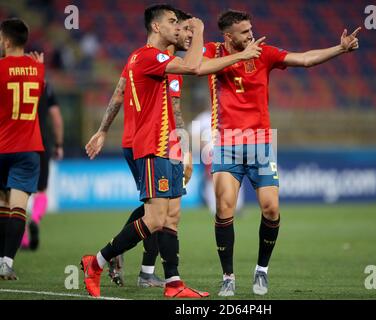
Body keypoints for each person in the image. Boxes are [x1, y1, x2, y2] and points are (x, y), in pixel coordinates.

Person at [201, 9, 360, 296]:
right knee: (225, 208)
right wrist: (239, 56)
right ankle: (228, 277)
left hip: (261, 142)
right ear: (228, 36)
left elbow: (305, 59)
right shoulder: (212, 51)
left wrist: (340, 48)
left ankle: (261, 269)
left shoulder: (264, 53)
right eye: (244, 31)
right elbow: (197, 67)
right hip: (227, 141)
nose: (251, 35)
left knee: (271, 208)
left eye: (251, 29)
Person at [80, 4, 212, 298]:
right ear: (156, 26)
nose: (180, 29)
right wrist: (103, 130)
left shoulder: (165, 63)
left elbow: (173, 106)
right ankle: (100, 261)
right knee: (155, 215)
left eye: (182, 25)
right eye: (174, 23)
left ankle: (172, 282)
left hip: (167, 144)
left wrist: (184, 148)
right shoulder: (148, 58)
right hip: (148, 143)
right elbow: (194, 68)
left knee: (169, 214)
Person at [0, 18, 45, 280]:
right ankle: (7, 263)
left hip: (3, 145)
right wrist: (37, 68)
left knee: (2, 206)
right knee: (18, 208)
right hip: (28, 148)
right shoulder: (37, 70)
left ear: (6, 41)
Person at [21, 80, 64, 251]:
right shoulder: (45, 84)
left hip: (15, 143)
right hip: (41, 143)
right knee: (42, 190)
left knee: (15, 192)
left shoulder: (7, 77)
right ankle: (36, 219)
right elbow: (56, 117)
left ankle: (22, 239)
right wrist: (59, 144)